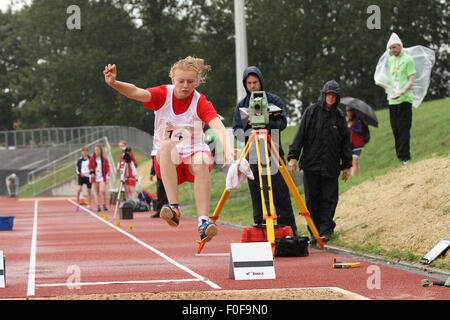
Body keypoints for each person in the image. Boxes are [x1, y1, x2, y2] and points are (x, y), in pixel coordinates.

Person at [103, 56, 233, 244]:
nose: (185, 86)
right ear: (173, 79)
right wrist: (114, 83)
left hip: (194, 156)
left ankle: (204, 222)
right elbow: (135, 92)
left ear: (197, 81)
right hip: (169, 161)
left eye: (190, 82)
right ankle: (173, 208)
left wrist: (227, 148)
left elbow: (217, 125)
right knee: (165, 146)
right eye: (181, 81)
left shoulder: (200, 102)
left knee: (201, 161)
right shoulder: (163, 94)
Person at [232, 66, 298, 236]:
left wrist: (266, 122)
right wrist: (250, 132)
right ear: (245, 84)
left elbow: (282, 124)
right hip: (253, 156)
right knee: (257, 196)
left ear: (261, 81)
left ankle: (289, 233)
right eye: (249, 83)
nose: (252, 86)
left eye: (255, 82)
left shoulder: (274, 100)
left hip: (273, 153)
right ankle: (261, 234)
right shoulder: (242, 105)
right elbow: (237, 132)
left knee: (281, 194)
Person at [287, 80, 352, 243]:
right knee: (312, 199)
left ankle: (326, 230)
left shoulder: (339, 116)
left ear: (337, 97)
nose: (331, 98)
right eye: (329, 94)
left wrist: (346, 166)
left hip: (331, 166)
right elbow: (300, 135)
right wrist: (293, 157)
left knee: (330, 198)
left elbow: (345, 142)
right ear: (323, 95)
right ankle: (314, 231)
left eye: (334, 95)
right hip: (311, 165)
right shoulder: (311, 112)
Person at [386, 33, 416, 164]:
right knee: (395, 128)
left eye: (395, 47)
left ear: (400, 46)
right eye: (391, 48)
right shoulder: (390, 60)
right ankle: (400, 155)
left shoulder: (408, 59)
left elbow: (411, 79)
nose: (393, 50)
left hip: (404, 98)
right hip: (393, 100)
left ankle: (405, 156)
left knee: (404, 127)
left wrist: (402, 91)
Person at [89, 144, 110, 212]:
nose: (96, 151)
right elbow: (90, 167)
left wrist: (107, 177)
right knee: (96, 192)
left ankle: (104, 204)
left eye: (98, 150)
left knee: (102, 191)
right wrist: (92, 173)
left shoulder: (104, 159)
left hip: (102, 177)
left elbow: (107, 168)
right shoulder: (92, 159)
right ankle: (98, 206)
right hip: (95, 178)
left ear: (101, 150)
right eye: (95, 150)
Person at [346, 106, 366, 176]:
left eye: (350, 110)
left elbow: (360, 131)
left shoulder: (358, 120)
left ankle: (354, 177)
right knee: (355, 162)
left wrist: (351, 127)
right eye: (347, 111)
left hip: (358, 144)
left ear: (353, 111)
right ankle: (358, 176)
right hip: (352, 144)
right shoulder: (349, 121)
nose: (348, 112)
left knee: (354, 162)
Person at [149, 151, 168, 218]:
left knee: (168, 189)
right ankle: (160, 210)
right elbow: (154, 160)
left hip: (168, 167)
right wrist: (152, 172)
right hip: (159, 170)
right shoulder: (156, 146)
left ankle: (170, 209)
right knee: (160, 190)